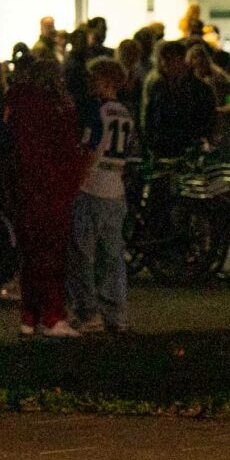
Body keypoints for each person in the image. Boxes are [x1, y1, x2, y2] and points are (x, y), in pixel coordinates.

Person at [5, 57, 85, 338]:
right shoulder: (58, 105)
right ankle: (52, 315)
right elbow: (65, 145)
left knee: (30, 254)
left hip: (25, 186)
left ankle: (30, 315)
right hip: (53, 187)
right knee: (52, 253)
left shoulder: (17, 103)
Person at [68, 57, 137, 335]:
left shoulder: (98, 111)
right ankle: (116, 313)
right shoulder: (125, 114)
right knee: (113, 255)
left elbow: (91, 148)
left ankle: (88, 312)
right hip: (115, 190)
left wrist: (77, 180)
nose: (90, 83)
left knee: (82, 254)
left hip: (92, 188)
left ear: (106, 80)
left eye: (95, 78)